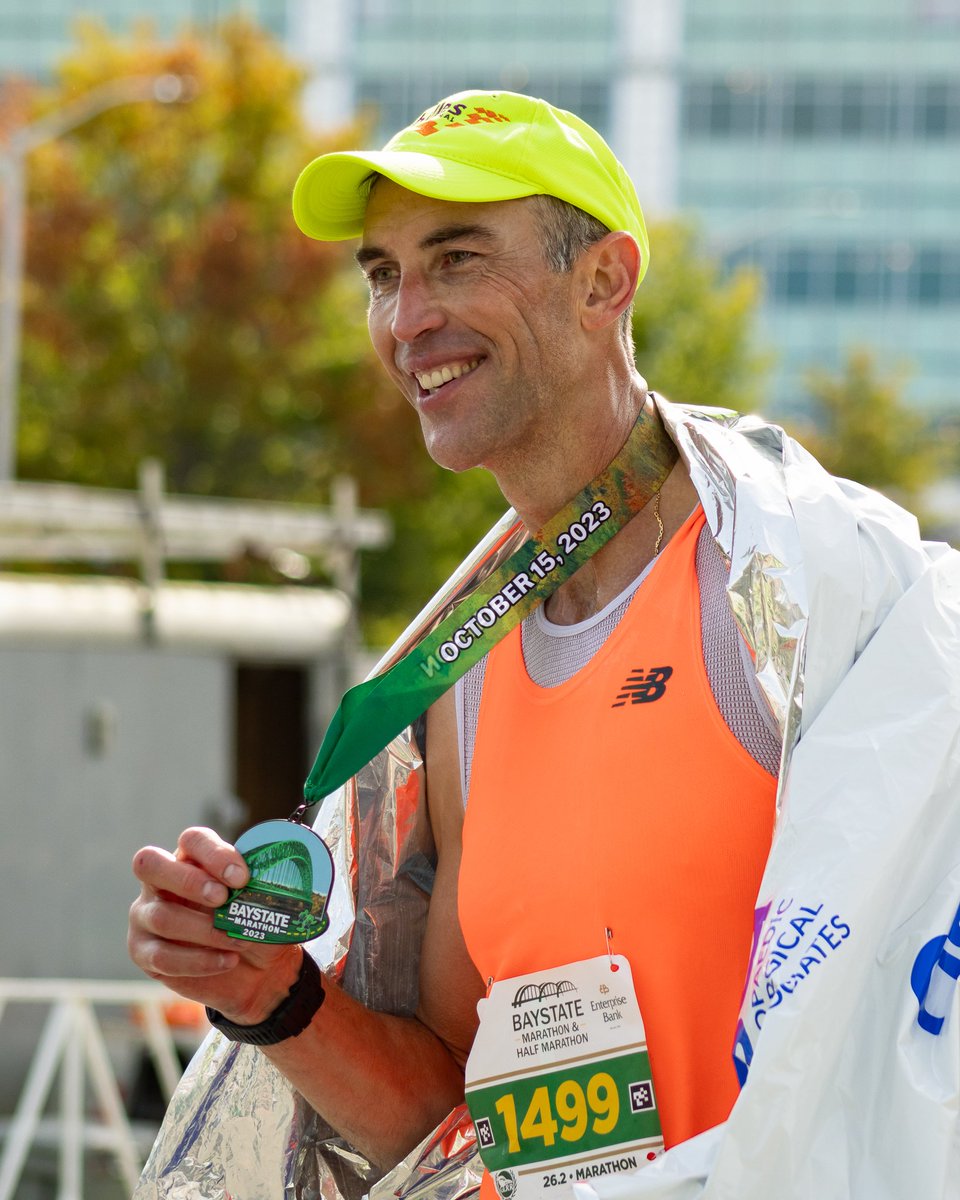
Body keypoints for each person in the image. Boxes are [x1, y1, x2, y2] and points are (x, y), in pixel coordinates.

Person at [129, 91, 960, 1200]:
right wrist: (273, 995)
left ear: (605, 282)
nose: (406, 318)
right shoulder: (455, 681)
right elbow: (456, 1132)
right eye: (382, 274)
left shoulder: (812, 592)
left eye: (458, 258)